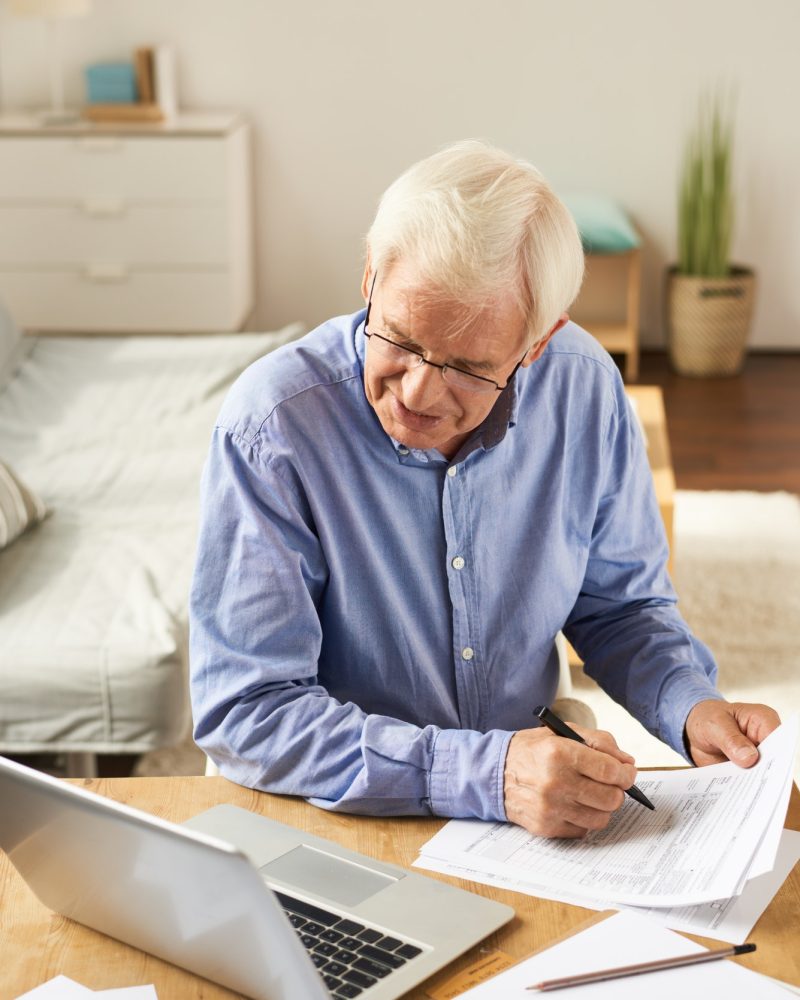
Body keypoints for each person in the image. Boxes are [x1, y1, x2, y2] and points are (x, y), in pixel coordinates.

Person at [189, 140, 779, 839]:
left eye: (468, 367)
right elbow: (249, 711)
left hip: (530, 810)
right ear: (370, 277)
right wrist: (488, 775)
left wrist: (688, 704)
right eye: (401, 340)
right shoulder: (273, 426)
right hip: (330, 805)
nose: (417, 390)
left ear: (537, 343)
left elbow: (619, 607)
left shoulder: (583, 387)